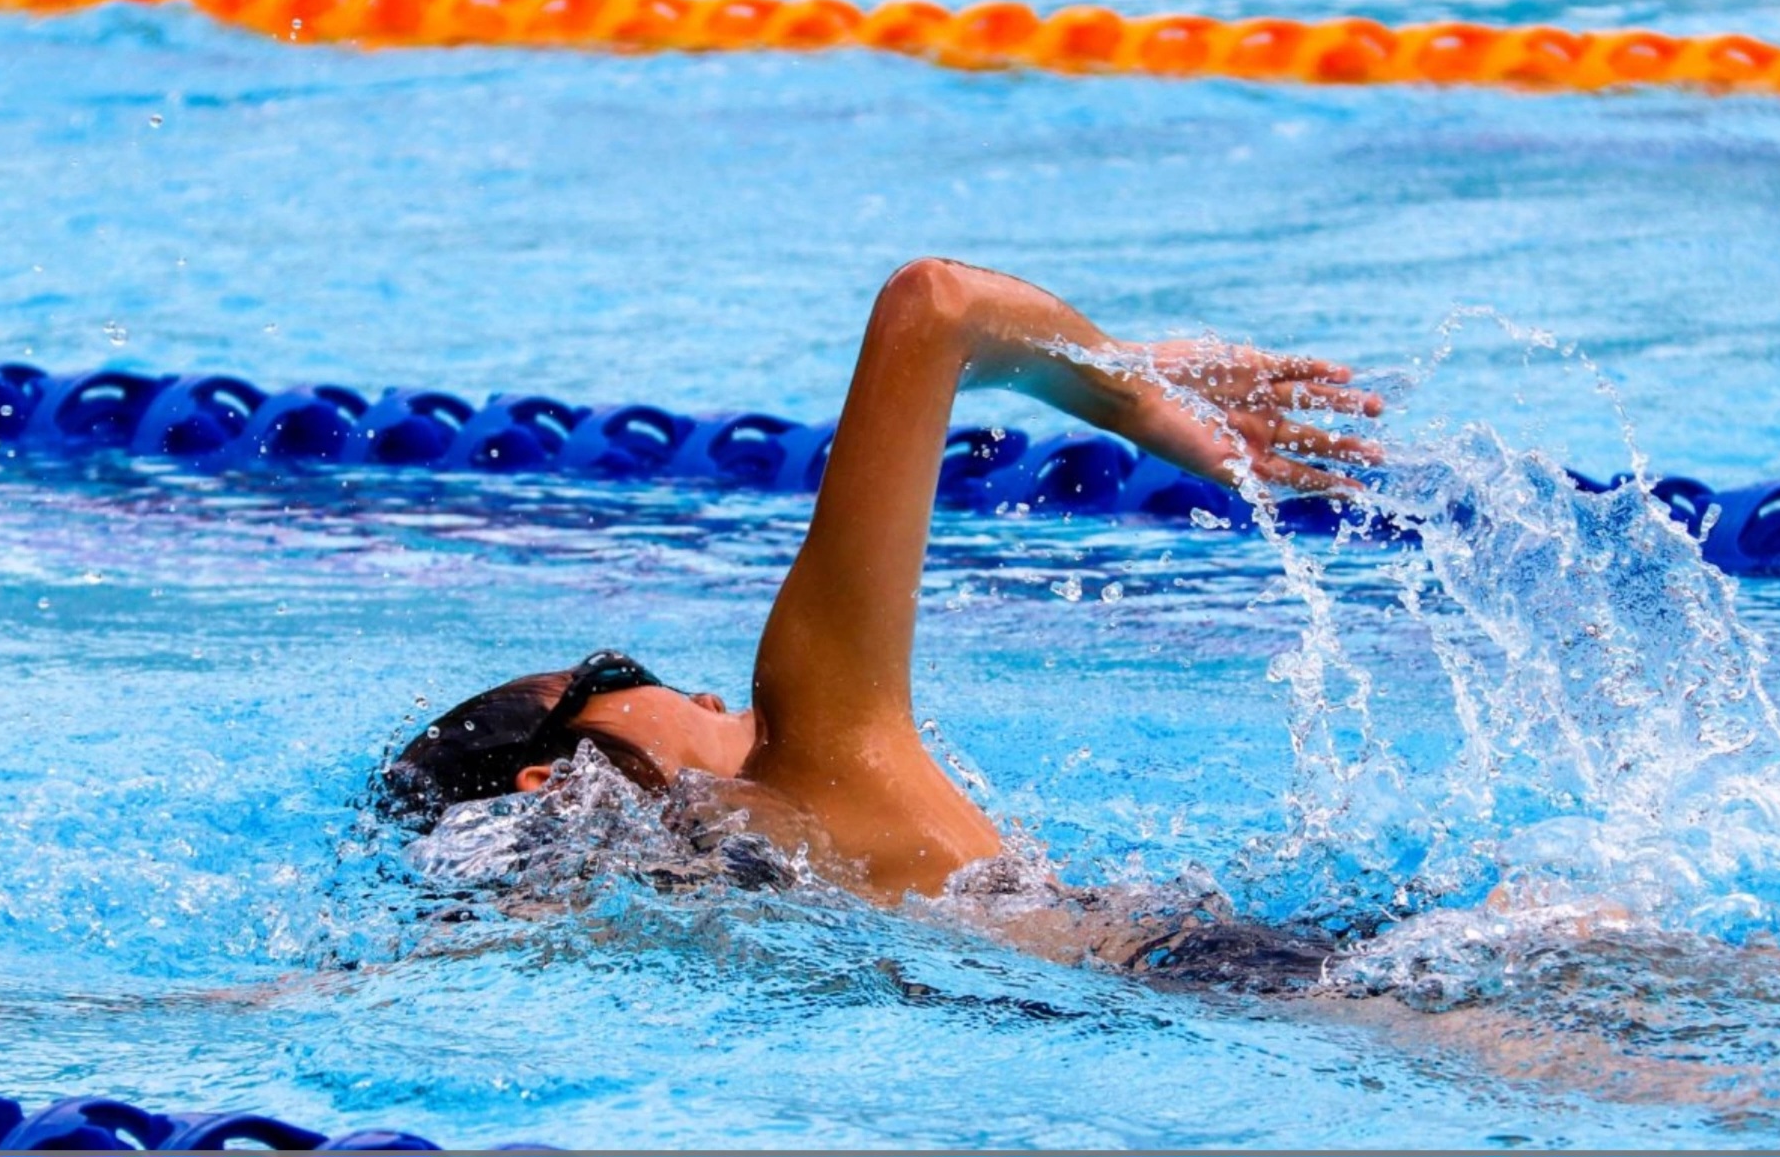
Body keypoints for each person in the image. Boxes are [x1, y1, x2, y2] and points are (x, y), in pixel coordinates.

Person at [383, 258, 1383, 980]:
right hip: (1253, 975)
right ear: (555, 777)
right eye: (615, 675)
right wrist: (1136, 392)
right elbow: (934, 305)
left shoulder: (728, 916)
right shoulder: (803, 739)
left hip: (1228, 986)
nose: (695, 689)